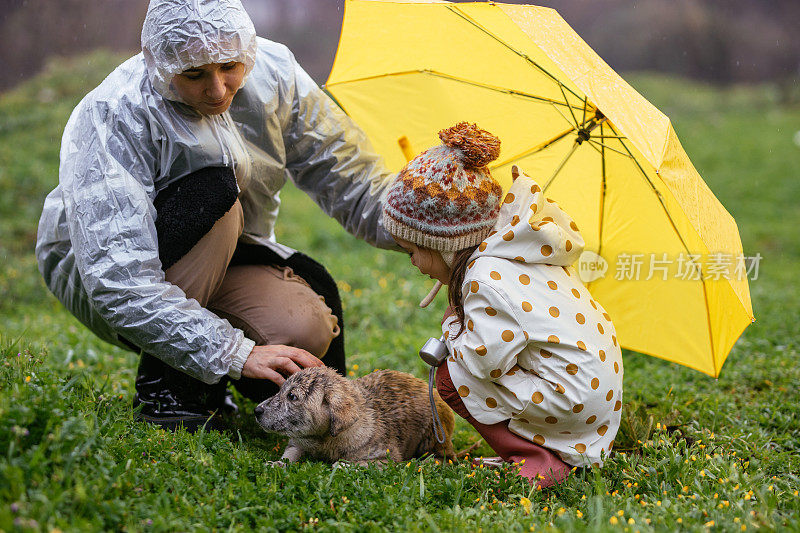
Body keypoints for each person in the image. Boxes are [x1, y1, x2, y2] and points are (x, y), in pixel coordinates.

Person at [35, 0, 398, 431]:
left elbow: (347, 174)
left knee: (305, 326)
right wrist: (233, 353)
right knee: (213, 195)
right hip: (98, 269)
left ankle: (201, 370)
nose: (218, 89)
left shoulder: (275, 74)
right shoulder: (115, 113)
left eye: (230, 66)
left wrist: (425, 223)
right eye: (194, 74)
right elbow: (117, 278)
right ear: (160, 63)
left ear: (247, 49)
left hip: (226, 255)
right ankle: (168, 387)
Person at [382, 122, 623, 487]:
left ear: (444, 244)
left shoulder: (485, 278)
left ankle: (539, 459)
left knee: (452, 377)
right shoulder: (513, 250)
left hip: (573, 399)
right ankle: (544, 446)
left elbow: (485, 362)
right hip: (592, 392)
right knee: (469, 371)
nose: (412, 261)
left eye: (413, 250)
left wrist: (452, 325)